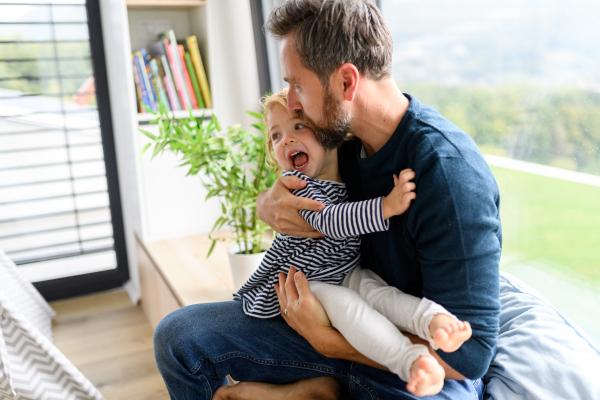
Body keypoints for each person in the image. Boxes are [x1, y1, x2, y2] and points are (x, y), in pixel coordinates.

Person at [153, 1, 501, 399]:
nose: (292, 101)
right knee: (179, 338)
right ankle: (314, 388)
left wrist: (328, 340)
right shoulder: (341, 144)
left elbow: (469, 359)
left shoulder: (449, 174)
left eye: (297, 85)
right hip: (333, 311)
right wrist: (268, 205)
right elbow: (288, 190)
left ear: (346, 83)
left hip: (422, 362)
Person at [233, 89, 473, 397]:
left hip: (343, 271)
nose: (287, 140)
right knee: (353, 311)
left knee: (380, 294)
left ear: (330, 133)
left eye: (298, 126)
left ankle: (435, 323)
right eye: (276, 136)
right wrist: (385, 207)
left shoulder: (346, 169)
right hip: (310, 282)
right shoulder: (301, 187)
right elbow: (333, 221)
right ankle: (412, 361)